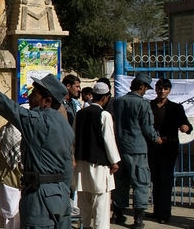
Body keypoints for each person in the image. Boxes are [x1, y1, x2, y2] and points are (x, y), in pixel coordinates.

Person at [0, 59, 73, 229]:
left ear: (47, 100)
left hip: (40, 197)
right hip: (60, 196)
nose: (30, 97)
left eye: (35, 94)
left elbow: (8, 108)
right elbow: (68, 165)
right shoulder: (64, 125)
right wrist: (64, 194)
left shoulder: (37, 121)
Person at [111, 72, 161, 229]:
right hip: (137, 149)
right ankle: (138, 220)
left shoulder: (117, 102)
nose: (145, 91)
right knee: (141, 183)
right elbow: (147, 127)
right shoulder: (143, 104)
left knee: (121, 182)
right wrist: (156, 138)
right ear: (141, 86)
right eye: (145, 88)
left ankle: (118, 215)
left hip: (119, 147)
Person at [73, 81, 120, 229]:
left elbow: (73, 138)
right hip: (99, 166)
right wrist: (114, 162)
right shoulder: (104, 115)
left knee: (84, 201)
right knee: (101, 203)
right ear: (105, 97)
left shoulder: (79, 114)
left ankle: (85, 226)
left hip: (82, 164)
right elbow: (109, 140)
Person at [148, 77, 192, 224]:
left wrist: (186, 128)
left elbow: (186, 124)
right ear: (156, 89)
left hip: (168, 148)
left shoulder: (175, 108)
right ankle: (157, 211)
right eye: (159, 88)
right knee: (156, 180)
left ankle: (164, 214)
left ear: (169, 90)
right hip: (153, 148)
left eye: (165, 88)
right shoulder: (149, 106)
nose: (162, 91)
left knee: (166, 181)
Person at [0, 120, 22, 229]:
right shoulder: (17, 134)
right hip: (12, 182)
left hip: (3, 179)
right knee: (11, 214)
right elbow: (18, 164)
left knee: (4, 214)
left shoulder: (4, 129)